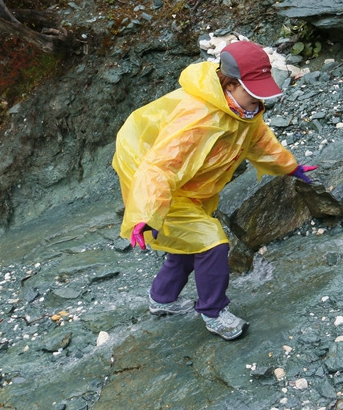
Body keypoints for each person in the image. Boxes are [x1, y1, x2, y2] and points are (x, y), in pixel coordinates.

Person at [111, 40, 316, 340]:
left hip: (191, 186)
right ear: (230, 84)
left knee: (187, 245)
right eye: (253, 90)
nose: (260, 100)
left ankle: (161, 299)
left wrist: (290, 167)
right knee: (211, 241)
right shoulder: (199, 117)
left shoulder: (246, 110)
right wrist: (146, 213)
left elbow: (261, 143)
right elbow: (159, 167)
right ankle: (214, 313)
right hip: (154, 183)